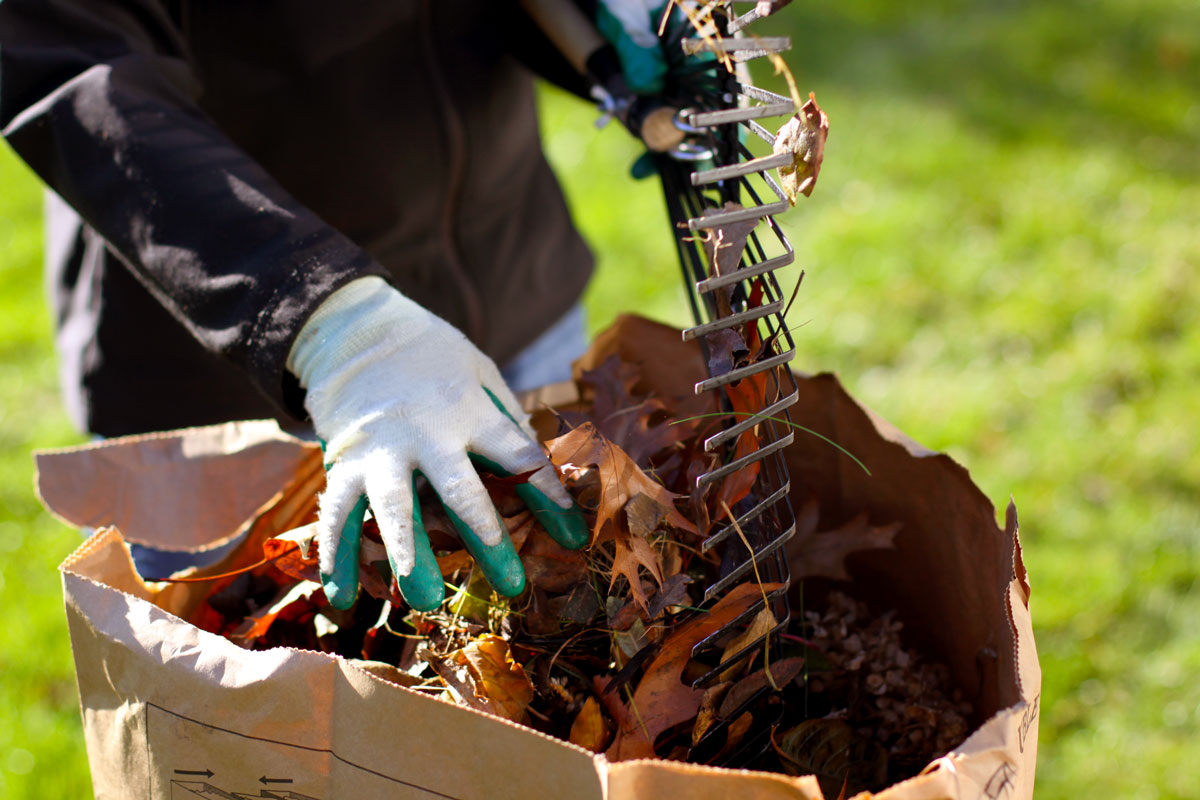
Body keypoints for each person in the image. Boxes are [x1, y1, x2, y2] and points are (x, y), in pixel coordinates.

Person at [0, 0, 668, 609]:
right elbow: (73, 64)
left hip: (508, 288)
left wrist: (614, 28)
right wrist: (331, 326)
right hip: (238, 375)